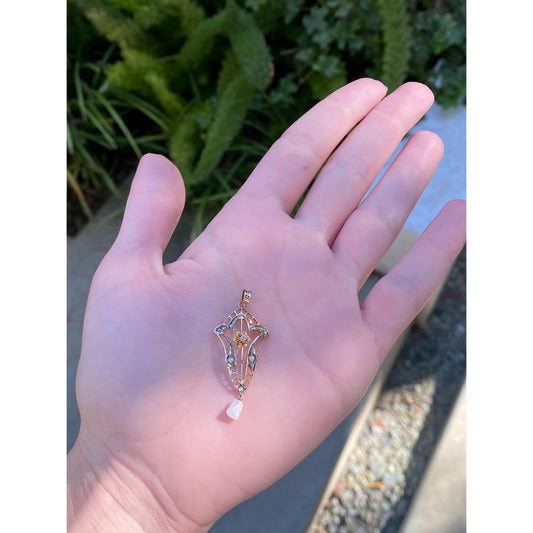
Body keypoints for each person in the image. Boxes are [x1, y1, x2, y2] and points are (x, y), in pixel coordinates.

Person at [67, 79, 466, 532]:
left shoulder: (243, 331)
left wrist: (130, 498)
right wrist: (130, 488)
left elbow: (246, 336)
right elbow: (238, 335)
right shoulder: (235, 330)